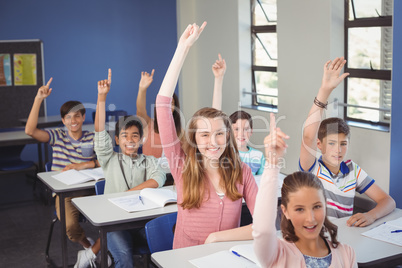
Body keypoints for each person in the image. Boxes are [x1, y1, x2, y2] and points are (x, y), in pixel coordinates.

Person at [155, 21, 258, 249]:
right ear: (194, 138)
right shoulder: (182, 165)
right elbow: (162, 105)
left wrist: (216, 238)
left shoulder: (242, 171)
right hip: (187, 260)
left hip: (228, 259)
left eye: (220, 134)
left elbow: (263, 225)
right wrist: (183, 48)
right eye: (203, 135)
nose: (213, 142)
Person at [74, 69, 166, 268]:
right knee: (124, 256)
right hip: (115, 223)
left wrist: (127, 194)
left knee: (167, 243)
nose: (130, 140)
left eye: (135, 136)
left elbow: (158, 179)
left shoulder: (149, 160)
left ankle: (93, 252)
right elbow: (99, 130)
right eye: (124, 136)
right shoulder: (110, 159)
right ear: (117, 140)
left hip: (142, 221)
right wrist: (101, 97)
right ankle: (96, 253)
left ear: (141, 139)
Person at [299, 57, 395, 226]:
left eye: (343, 144)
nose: (338, 150)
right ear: (319, 145)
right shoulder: (313, 169)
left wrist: (370, 215)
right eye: (332, 143)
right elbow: (308, 136)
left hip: (343, 237)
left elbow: (388, 201)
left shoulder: (353, 171)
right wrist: (325, 91)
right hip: (317, 237)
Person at [253, 113, 357, 267]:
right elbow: (263, 231)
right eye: (300, 209)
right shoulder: (278, 254)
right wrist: (272, 163)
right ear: (285, 211)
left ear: (325, 205)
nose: (311, 218)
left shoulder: (346, 253)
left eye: (317, 206)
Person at [25, 78, 98, 253]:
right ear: (63, 120)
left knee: (112, 217)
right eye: (68, 117)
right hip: (65, 192)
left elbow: (104, 161)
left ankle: (99, 250)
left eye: (77, 116)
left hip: (89, 188)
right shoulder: (57, 135)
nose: (73, 120)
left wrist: (83, 165)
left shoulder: (91, 137)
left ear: (83, 117)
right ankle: (91, 250)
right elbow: (30, 131)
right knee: (71, 228)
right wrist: (38, 99)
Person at [135, 69, 182, 158]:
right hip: (150, 171)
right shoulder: (149, 125)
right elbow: (140, 111)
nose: (167, 107)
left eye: (171, 104)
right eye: (163, 104)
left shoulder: (181, 132)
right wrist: (142, 89)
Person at [229, 110, 265, 175]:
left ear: (251, 131)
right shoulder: (225, 153)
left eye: (246, 129)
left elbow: (262, 180)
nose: (241, 134)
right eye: (236, 129)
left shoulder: (259, 156)